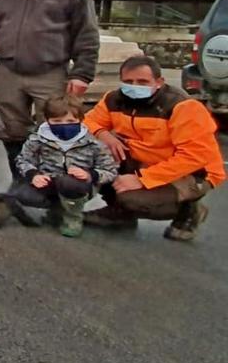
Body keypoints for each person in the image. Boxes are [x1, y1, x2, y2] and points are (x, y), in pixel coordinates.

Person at [0, 0, 99, 185]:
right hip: (8, 70)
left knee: (55, 129)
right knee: (13, 129)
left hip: (50, 71)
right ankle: (22, 181)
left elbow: (87, 33)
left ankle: (57, 187)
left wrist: (82, 73)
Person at [83, 56, 223, 241]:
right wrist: (104, 134)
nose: (135, 86)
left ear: (159, 82)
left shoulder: (182, 107)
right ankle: (120, 213)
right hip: (143, 161)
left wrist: (142, 180)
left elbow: (194, 157)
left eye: (142, 82)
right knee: (92, 159)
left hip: (190, 173)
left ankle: (188, 209)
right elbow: (89, 120)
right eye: (128, 81)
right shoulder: (114, 99)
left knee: (132, 199)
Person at [8, 95, 118, 237]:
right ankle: (57, 208)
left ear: (80, 120)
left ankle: (73, 217)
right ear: (47, 121)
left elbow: (110, 170)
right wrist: (33, 174)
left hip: (78, 185)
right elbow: (23, 160)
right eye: (57, 121)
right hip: (49, 180)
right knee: (22, 194)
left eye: (71, 121)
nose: (64, 125)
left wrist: (91, 175)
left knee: (69, 183)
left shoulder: (93, 143)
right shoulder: (37, 139)